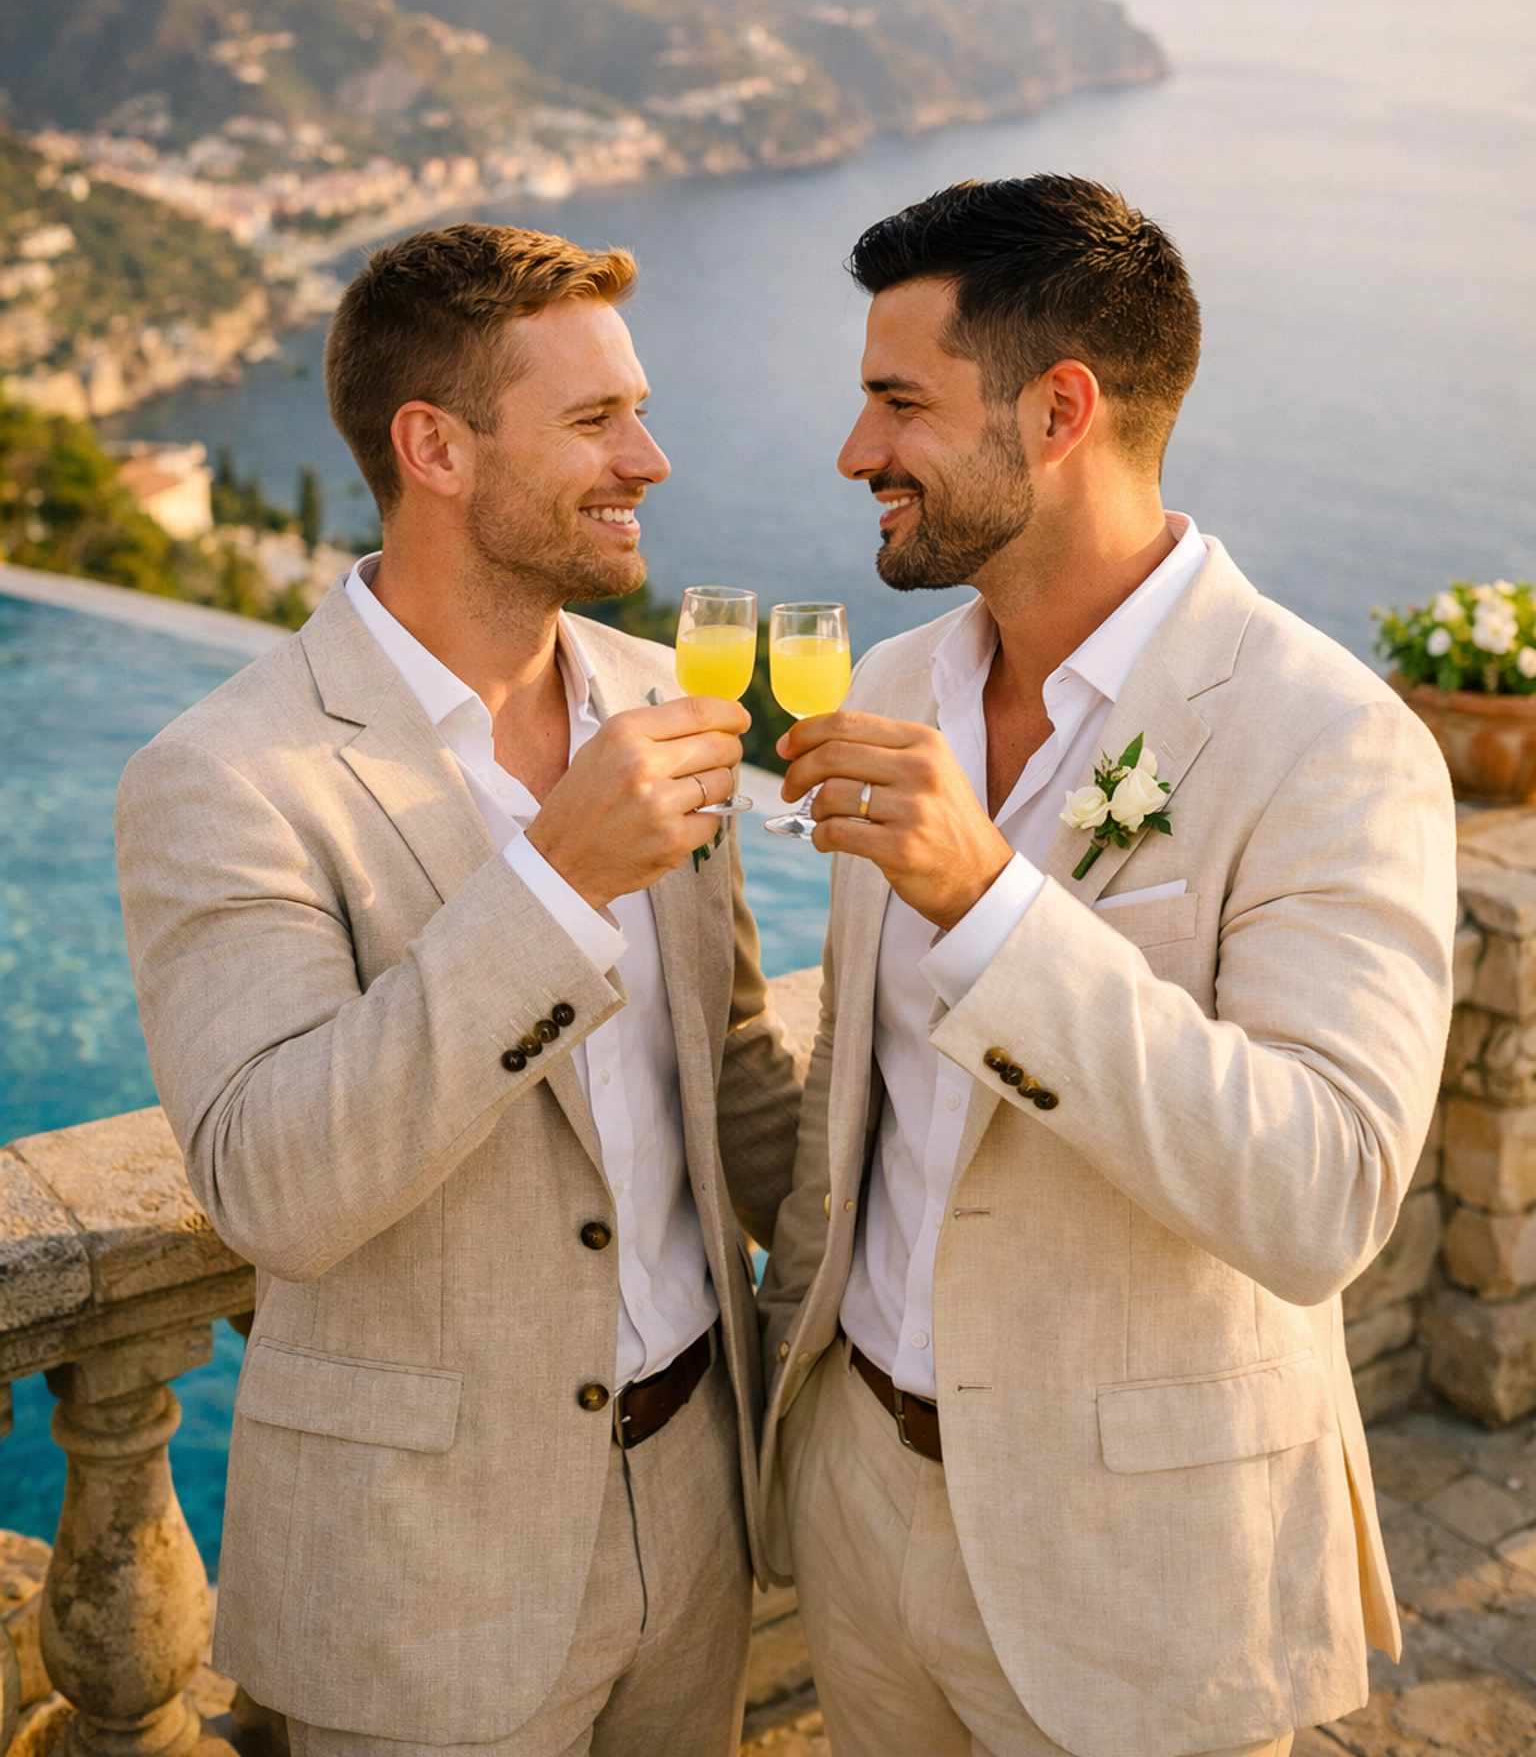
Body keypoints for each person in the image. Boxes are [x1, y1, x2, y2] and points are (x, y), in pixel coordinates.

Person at [757, 175, 1455, 1757]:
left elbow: (1324, 1195)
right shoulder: (892, 683)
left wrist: (994, 903)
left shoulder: (1329, 741)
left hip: (1138, 1573)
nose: (857, 452)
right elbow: (857, 1104)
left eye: (897, 402)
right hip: (862, 1512)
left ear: (1059, 409)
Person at [116, 222, 802, 1757]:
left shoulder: (653, 701)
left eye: (638, 406)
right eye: (595, 421)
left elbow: (741, 1063)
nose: (654, 457)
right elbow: (273, 1187)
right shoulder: (223, 780)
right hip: (417, 1577)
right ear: (432, 444)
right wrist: (552, 885)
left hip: (698, 1518)